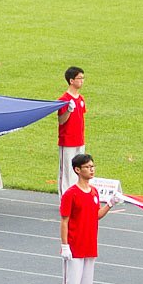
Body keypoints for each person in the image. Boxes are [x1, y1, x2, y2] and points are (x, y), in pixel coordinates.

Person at [59, 154, 119, 284]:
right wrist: (64, 246)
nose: (92, 169)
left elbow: (95, 216)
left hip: (90, 246)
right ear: (78, 170)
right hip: (75, 247)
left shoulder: (93, 192)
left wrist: (110, 203)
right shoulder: (71, 194)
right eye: (87, 167)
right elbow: (64, 221)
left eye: (93, 166)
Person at [56, 67, 86, 199]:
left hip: (79, 139)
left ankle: (76, 196)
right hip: (67, 140)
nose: (82, 81)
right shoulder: (64, 99)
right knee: (67, 171)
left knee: (78, 170)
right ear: (71, 80)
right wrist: (68, 110)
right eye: (80, 78)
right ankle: (65, 199)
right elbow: (61, 121)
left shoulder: (81, 98)